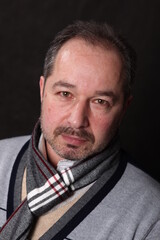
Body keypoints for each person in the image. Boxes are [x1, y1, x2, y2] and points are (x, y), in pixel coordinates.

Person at [0, 21, 160, 240]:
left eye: (100, 101)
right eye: (65, 94)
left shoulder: (152, 217)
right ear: (42, 90)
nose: (77, 121)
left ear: (124, 108)